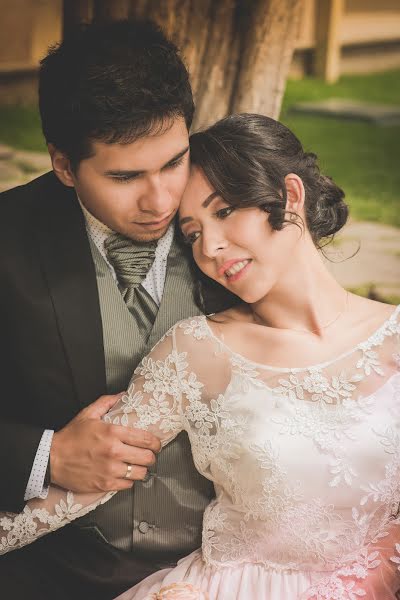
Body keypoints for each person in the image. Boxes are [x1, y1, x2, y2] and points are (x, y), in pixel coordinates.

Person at [1, 113, 400, 600]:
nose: (209, 247)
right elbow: (75, 493)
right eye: (191, 233)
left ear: (291, 195)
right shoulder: (196, 350)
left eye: (225, 211)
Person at [0, 19, 214, 600]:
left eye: (174, 162)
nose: (161, 199)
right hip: (51, 573)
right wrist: (46, 455)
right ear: (64, 165)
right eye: (126, 176)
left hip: (219, 565)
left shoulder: (238, 225)